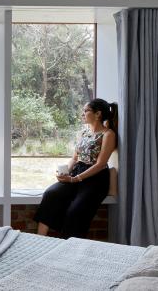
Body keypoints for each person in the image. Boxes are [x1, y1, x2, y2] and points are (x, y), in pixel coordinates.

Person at [34, 98, 118, 238]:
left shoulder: (108, 134)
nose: (82, 114)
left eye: (86, 111)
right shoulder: (84, 133)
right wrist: (64, 173)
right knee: (51, 194)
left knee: (75, 211)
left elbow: (101, 164)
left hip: (95, 179)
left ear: (98, 114)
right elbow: (75, 158)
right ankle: (39, 239)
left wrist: (74, 179)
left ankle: (68, 248)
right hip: (77, 172)